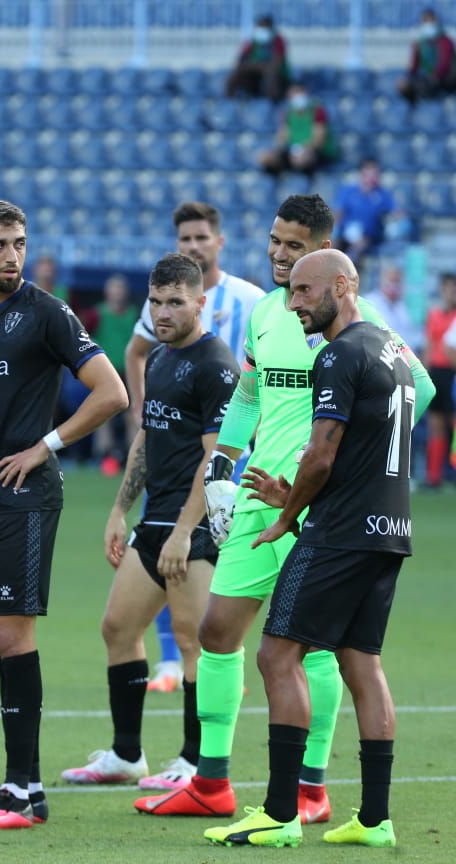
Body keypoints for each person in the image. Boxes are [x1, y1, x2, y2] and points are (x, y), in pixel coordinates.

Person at [135, 194, 434, 823]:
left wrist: (350, 455)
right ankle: (212, 779)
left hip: (324, 505)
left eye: (293, 246)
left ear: (324, 252)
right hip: (258, 497)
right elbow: (248, 391)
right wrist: (223, 463)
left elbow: (421, 388)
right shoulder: (270, 314)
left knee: (314, 649)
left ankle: (310, 789)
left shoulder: (361, 319)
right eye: (274, 241)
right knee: (217, 630)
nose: (278, 254)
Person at [204, 249, 412, 849]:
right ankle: (375, 821)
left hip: (339, 533)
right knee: (359, 662)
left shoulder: (339, 354)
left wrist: (288, 515)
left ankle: (280, 812)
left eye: (303, 291)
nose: (293, 304)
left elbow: (322, 453)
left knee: (276, 656)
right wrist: (290, 490)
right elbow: (366, 447)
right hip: (388, 528)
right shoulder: (393, 350)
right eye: (290, 292)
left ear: (342, 286)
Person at [0, 199, 127, 830]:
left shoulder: (48, 313)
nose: (11, 255)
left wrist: (44, 446)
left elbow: (112, 393)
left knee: (15, 636)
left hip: (26, 498)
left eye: (18, 242)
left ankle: (26, 788)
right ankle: (18, 784)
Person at [62, 253, 238, 795]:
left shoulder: (216, 365)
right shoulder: (160, 358)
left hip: (196, 528)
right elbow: (147, 436)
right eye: (156, 302)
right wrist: (120, 509)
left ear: (200, 302)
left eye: (175, 303)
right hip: (153, 522)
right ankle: (126, 755)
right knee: (118, 629)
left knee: (194, 643)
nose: (162, 312)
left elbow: (217, 462)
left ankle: (193, 761)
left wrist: (186, 531)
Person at [123, 202, 266, 694]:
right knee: (137, 609)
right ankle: (174, 665)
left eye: (201, 238)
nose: (193, 246)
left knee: (203, 613)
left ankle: (213, 686)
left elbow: (269, 367)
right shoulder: (165, 332)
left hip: (227, 450)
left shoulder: (250, 300)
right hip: (177, 440)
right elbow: (135, 352)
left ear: (218, 242)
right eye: (185, 239)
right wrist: (146, 412)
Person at [90, 272, 140, 475]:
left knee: (132, 415)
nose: (117, 293)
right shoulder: (97, 314)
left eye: (120, 288)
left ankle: (132, 456)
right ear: (107, 292)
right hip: (106, 372)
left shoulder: (133, 313)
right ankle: (105, 455)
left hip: (130, 371)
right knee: (103, 415)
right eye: (114, 288)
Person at [257, 81, 337, 178]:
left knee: (302, 158)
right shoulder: (288, 112)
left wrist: (302, 149)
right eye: (293, 94)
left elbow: (319, 139)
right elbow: (282, 136)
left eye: (298, 93)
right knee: (265, 157)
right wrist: (277, 148)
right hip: (294, 152)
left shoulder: (317, 110)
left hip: (316, 152)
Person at [332, 158, 402, 267]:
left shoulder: (383, 194)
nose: (371, 177)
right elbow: (339, 212)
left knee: (360, 244)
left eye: (375, 173)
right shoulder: (348, 190)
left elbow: (397, 212)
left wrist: (400, 223)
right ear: (361, 173)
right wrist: (335, 229)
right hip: (346, 231)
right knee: (332, 242)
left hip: (368, 235)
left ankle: (345, 269)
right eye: (368, 172)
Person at [423, 273, 456, 489]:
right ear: (442, 289)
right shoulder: (434, 314)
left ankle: (451, 474)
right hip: (437, 373)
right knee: (436, 426)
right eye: (448, 288)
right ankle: (433, 477)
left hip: (453, 372)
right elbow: (428, 346)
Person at [225, 14, 291, 102]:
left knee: (271, 74)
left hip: (278, 79)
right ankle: (229, 101)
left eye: (264, 28)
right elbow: (241, 60)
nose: (261, 30)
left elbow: (276, 63)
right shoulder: (253, 41)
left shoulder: (278, 41)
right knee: (236, 73)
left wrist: (253, 64)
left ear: (270, 28)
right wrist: (252, 65)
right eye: (259, 27)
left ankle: (272, 103)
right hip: (256, 77)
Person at [397, 8, 456, 104]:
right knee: (405, 86)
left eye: (430, 21)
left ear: (436, 21)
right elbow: (413, 68)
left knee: (425, 84)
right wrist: (406, 78)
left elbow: (444, 65)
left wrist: (433, 76)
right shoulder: (419, 43)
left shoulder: (446, 41)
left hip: (445, 79)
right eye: (425, 21)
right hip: (428, 79)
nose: (427, 24)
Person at [360, 265, 421, 351]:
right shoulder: (370, 302)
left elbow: (408, 334)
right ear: (382, 280)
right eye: (392, 281)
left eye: (398, 281)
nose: (395, 285)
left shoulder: (401, 306)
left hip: (402, 357)